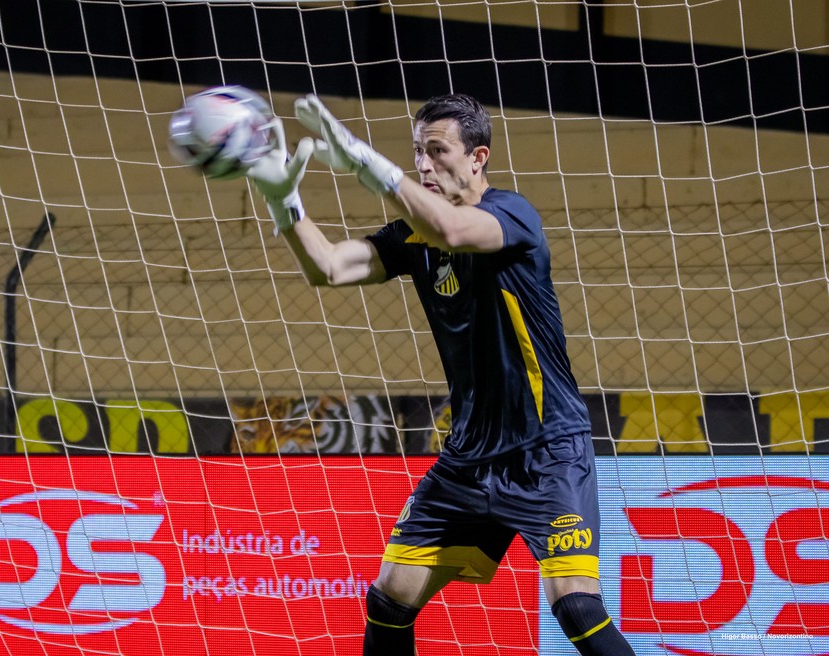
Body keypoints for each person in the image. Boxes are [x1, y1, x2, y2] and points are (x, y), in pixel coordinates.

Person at [244, 93, 636, 656]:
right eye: (416, 153)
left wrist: (363, 159)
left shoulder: (511, 215)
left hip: (546, 449)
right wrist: (286, 203)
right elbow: (328, 267)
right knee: (388, 598)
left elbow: (451, 229)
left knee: (575, 605)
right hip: (469, 457)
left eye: (436, 151)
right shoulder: (410, 236)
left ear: (478, 158)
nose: (424, 165)